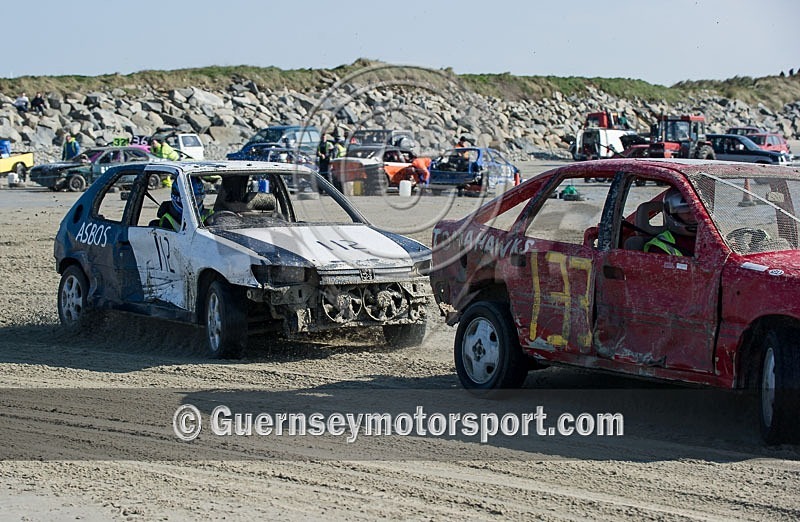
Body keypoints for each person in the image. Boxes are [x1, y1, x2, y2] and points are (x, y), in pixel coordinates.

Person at [644, 188, 697, 256]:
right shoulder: (659, 247)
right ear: (672, 214)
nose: (692, 215)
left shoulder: (707, 237)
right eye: (684, 210)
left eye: (696, 211)